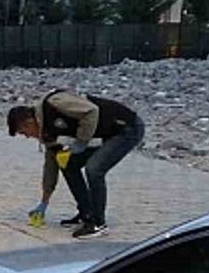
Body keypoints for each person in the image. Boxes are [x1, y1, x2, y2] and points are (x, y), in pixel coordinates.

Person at [8, 90, 144, 239]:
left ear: (29, 122)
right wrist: (44, 202)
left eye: (24, 132)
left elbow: (91, 111)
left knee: (94, 169)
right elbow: (51, 167)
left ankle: (98, 224)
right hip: (106, 134)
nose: (27, 136)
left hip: (127, 128)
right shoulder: (46, 133)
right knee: (68, 163)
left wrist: (82, 141)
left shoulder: (55, 103)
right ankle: (86, 214)